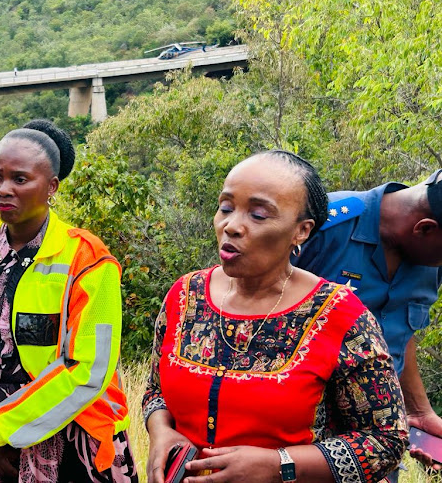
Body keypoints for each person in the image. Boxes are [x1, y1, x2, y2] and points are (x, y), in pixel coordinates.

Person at [144, 150, 407, 483]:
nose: (232, 226)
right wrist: (160, 431)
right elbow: (155, 390)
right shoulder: (184, 296)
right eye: (226, 207)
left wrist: (279, 465)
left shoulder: (342, 316)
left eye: (258, 215)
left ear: (301, 231)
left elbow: (385, 441)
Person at [0, 119, 137, 482]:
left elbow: (88, 368)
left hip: (70, 434)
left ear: (51, 186)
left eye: (20, 179)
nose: (3, 189)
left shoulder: (87, 259)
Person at [293, 170, 442, 475]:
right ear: (425, 228)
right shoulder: (324, 222)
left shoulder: (431, 258)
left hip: (378, 446)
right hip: (298, 442)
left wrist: (419, 412)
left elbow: (400, 335)